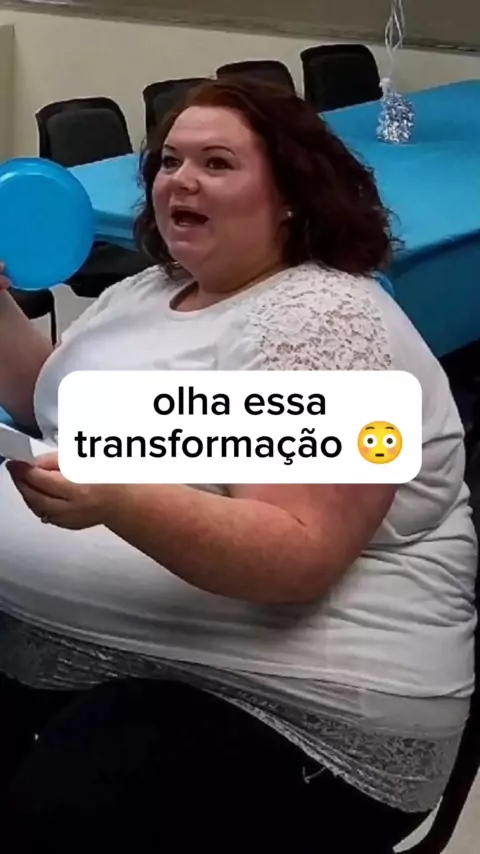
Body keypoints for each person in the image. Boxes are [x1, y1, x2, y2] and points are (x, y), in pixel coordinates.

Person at [0, 78, 476, 852]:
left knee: (58, 813)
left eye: (217, 163)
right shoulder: (152, 290)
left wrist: (120, 499)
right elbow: (50, 406)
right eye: (169, 162)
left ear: (288, 195)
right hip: (120, 659)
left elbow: (298, 554)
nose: (180, 180)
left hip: (300, 706)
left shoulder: (324, 322)